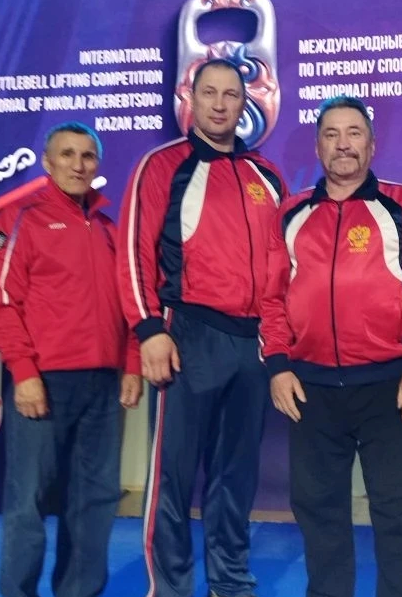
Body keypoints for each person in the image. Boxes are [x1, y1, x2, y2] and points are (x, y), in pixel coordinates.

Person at [260, 95, 402, 597]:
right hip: (310, 387)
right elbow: (270, 298)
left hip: (390, 384)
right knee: (318, 511)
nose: (343, 144)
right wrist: (278, 365)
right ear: (317, 146)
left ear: (372, 143)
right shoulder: (290, 213)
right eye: (331, 134)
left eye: (353, 132)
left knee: (398, 513)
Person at [117, 59, 287, 597]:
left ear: (245, 103)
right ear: (190, 98)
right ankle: (170, 587)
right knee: (174, 474)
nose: (219, 104)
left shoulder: (267, 176)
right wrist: (149, 330)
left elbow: (282, 269)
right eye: (209, 93)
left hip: (252, 342)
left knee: (236, 475)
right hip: (186, 334)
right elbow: (134, 251)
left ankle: (229, 582)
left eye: (230, 95)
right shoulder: (162, 165)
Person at [0, 121, 142, 597]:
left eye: (87, 156)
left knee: (94, 502)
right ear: (48, 163)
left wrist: (132, 363)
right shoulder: (21, 218)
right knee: (28, 503)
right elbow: (2, 304)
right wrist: (24, 371)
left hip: (103, 386)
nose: (78, 165)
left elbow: (130, 304)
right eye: (68, 155)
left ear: (98, 164)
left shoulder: (110, 229)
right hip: (44, 382)